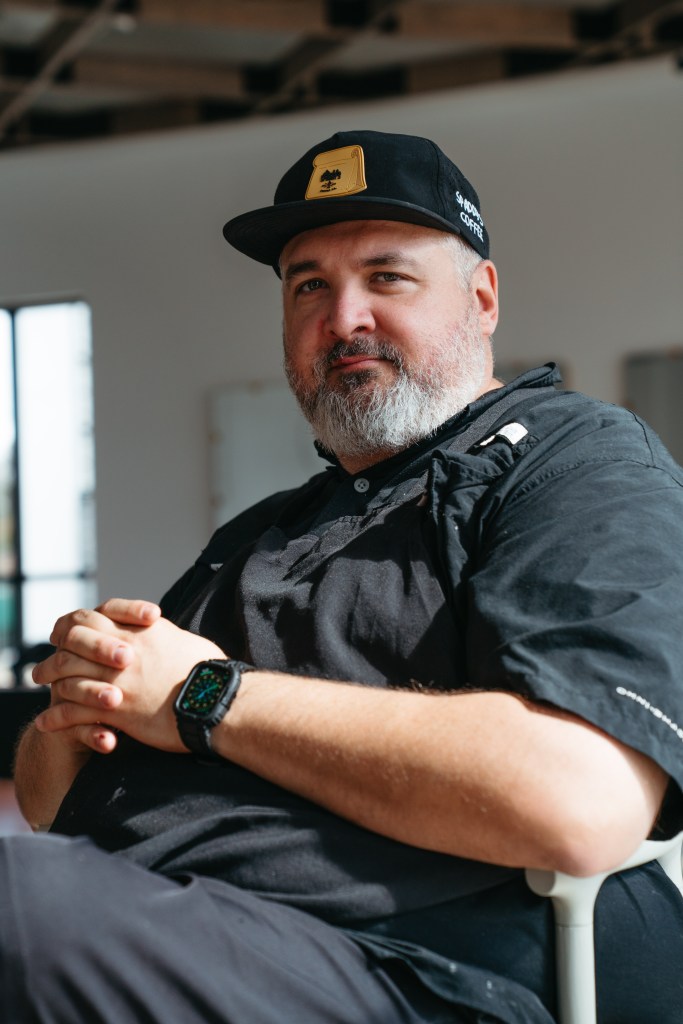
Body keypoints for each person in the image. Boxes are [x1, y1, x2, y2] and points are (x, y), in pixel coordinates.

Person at [11, 130, 683, 1024]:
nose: (344, 317)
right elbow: (56, 800)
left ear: (481, 298)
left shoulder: (571, 464)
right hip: (182, 924)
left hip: (424, 970)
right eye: (309, 286)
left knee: (21, 906)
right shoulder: (264, 530)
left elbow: (577, 798)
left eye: (387, 276)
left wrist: (206, 693)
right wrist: (81, 703)